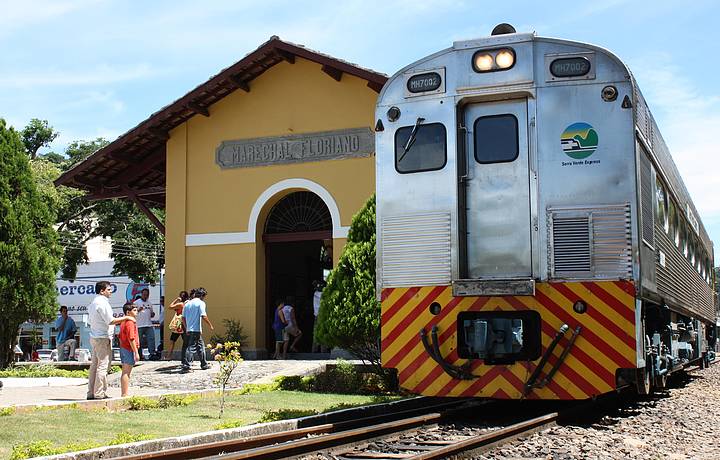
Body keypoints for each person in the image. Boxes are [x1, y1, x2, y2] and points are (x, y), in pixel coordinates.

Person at [87, 281, 131, 400]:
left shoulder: (93, 303)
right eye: (109, 290)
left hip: (95, 336)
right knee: (103, 366)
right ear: (102, 291)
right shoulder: (102, 303)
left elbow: (91, 321)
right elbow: (110, 320)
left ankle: (91, 392)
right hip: (102, 337)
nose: (111, 292)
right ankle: (99, 393)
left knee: (94, 366)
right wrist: (127, 317)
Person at [181, 287, 214, 373]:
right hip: (195, 329)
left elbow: (183, 318)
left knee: (199, 346)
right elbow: (203, 315)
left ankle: (203, 364)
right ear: (202, 296)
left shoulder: (187, 304)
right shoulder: (201, 303)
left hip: (189, 329)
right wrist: (210, 324)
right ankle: (187, 365)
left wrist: (186, 328)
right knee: (191, 348)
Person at [118, 302, 139, 397]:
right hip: (128, 349)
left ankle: (124, 393)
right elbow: (131, 338)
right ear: (128, 312)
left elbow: (119, 336)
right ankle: (125, 394)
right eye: (134, 310)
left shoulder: (123, 322)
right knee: (126, 372)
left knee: (125, 371)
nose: (136, 312)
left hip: (123, 347)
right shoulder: (130, 322)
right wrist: (136, 352)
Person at [165, 291, 189, 360]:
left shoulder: (180, 304)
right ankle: (188, 358)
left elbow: (170, 306)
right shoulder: (187, 304)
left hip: (178, 324)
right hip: (185, 323)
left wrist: (176, 300)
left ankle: (169, 356)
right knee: (186, 341)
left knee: (172, 340)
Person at [133, 288, 155, 360]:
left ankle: (152, 354)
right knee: (139, 341)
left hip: (148, 324)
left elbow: (151, 313)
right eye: (144, 294)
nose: (145, 296)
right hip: (139, 325)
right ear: (141, 294)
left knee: (151, 339)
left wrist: (152, 314)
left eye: (147, 295)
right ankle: (139, 355)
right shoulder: (136, 302)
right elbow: (132, 313)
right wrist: (139, 310)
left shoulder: (149, 303)